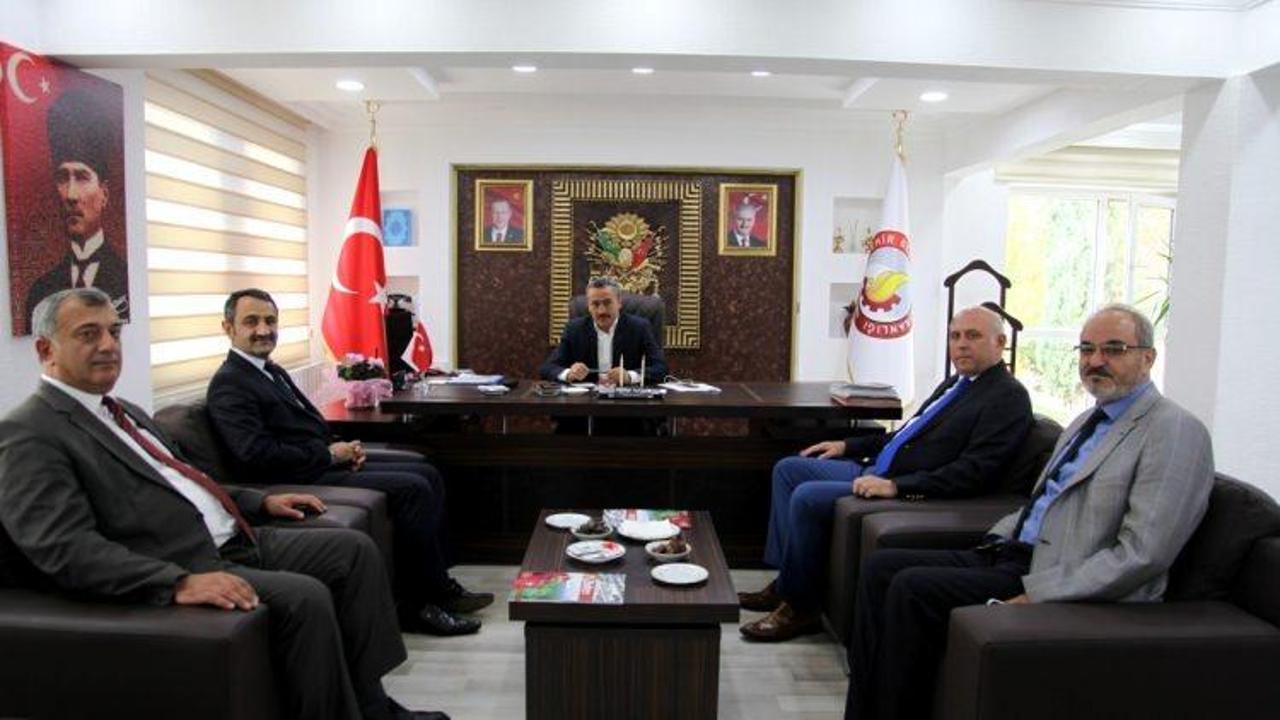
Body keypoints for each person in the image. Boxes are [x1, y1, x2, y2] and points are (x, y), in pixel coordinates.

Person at [0, 288, 446, 720]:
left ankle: (373, 705)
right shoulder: (29, 433)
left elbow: (189, 482)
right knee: (306, 597)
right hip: (186, 559)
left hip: (236, 535)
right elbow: (62, 547)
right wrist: (175, 582)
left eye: (114, 332)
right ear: (45, 349)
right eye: (88, 334)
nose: (108, 345)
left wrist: (261, 501)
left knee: (352, 551)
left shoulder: (123, 411)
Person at [844, 304, 1214, 720]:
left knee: (912, 588)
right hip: (1011, 552)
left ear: (1148, 357)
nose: (1095, 361)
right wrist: (998, 538)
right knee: (880, 569)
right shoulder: (1087, 420)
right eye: (1086, 349)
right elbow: (1042, 501)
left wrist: (1040, 592)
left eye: (1113, 349)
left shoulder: (1173, 430)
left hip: (1055, 575)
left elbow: (1143, 554)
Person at [206, 289, 492, 637]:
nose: (263, 330)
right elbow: (256, 455)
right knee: (413, 487)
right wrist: (328, 455)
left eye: (270, 321)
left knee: (427, 471)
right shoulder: (230, 383)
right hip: (291, 479)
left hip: (316, 462)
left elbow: (306, 424)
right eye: (251, 322)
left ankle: (439, 587)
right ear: (228, 327)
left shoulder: (270, 370)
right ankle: (416, 607)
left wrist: (342, 446)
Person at [739, 306, 1032, 642]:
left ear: (1000, 342)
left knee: (807, 496)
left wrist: (897, 486)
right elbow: (904, 435)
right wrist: (846, 445)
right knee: (789, 469)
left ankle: (801, 608)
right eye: (955, 336)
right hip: (876, 467)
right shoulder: (956, 384)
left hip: (903, 486)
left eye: (973, 336)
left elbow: (973, 472)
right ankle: (786, 584)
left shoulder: (1007, 396)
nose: (961, 344)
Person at [24, 90, 129, 329]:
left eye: (82, 177)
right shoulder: (40, 292)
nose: (71, 195)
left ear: (104, 193)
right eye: (63, 178)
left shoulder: (125, 279)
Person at [540, 276, 667, 386]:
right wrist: (569, 374)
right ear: (588, 306)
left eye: (607, 303)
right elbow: (547, 368)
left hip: (626, 400)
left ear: (619, 303)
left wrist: (629, 376)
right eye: (595, 304)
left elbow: (661, 369)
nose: (601, 311)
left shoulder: (639, 327)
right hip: (588, 401)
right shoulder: (574, 329)